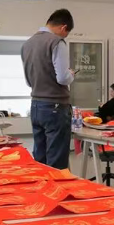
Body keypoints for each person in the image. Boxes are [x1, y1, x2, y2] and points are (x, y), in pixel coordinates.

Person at [21, 9, 76, 170]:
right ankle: (56, 186)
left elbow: (28, 81)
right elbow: (63, 78)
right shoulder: (56, 42)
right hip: (55, 107)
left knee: (40, 159)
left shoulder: (27, 44)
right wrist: (71, 75)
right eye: (66, 34)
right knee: (56, 160)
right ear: (63, 27)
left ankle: (42, 186)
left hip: (36, 106)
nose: (64, 37)